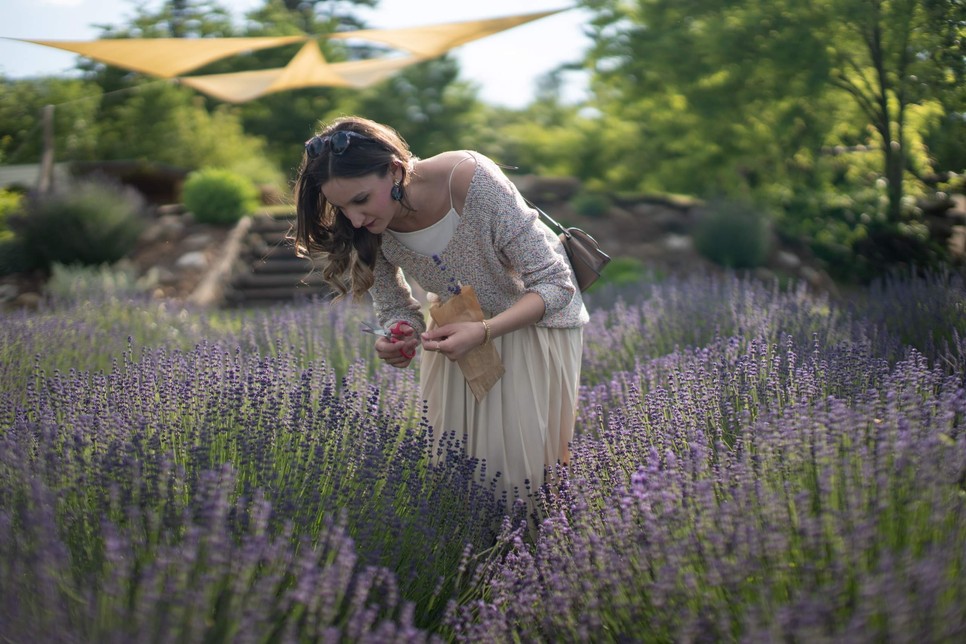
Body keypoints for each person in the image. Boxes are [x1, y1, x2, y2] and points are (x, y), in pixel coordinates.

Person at [293, 115, 589, 504]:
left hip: (534, 330)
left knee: (524, 481)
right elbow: (396, 305)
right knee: (462, 480)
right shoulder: (364, 225)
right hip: (459, 338)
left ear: (395, 171)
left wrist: (484, 331)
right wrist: (398, 334)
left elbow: (557, 284)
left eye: (361, 200)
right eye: (341, 206)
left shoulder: (470, 179)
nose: (355, 218)